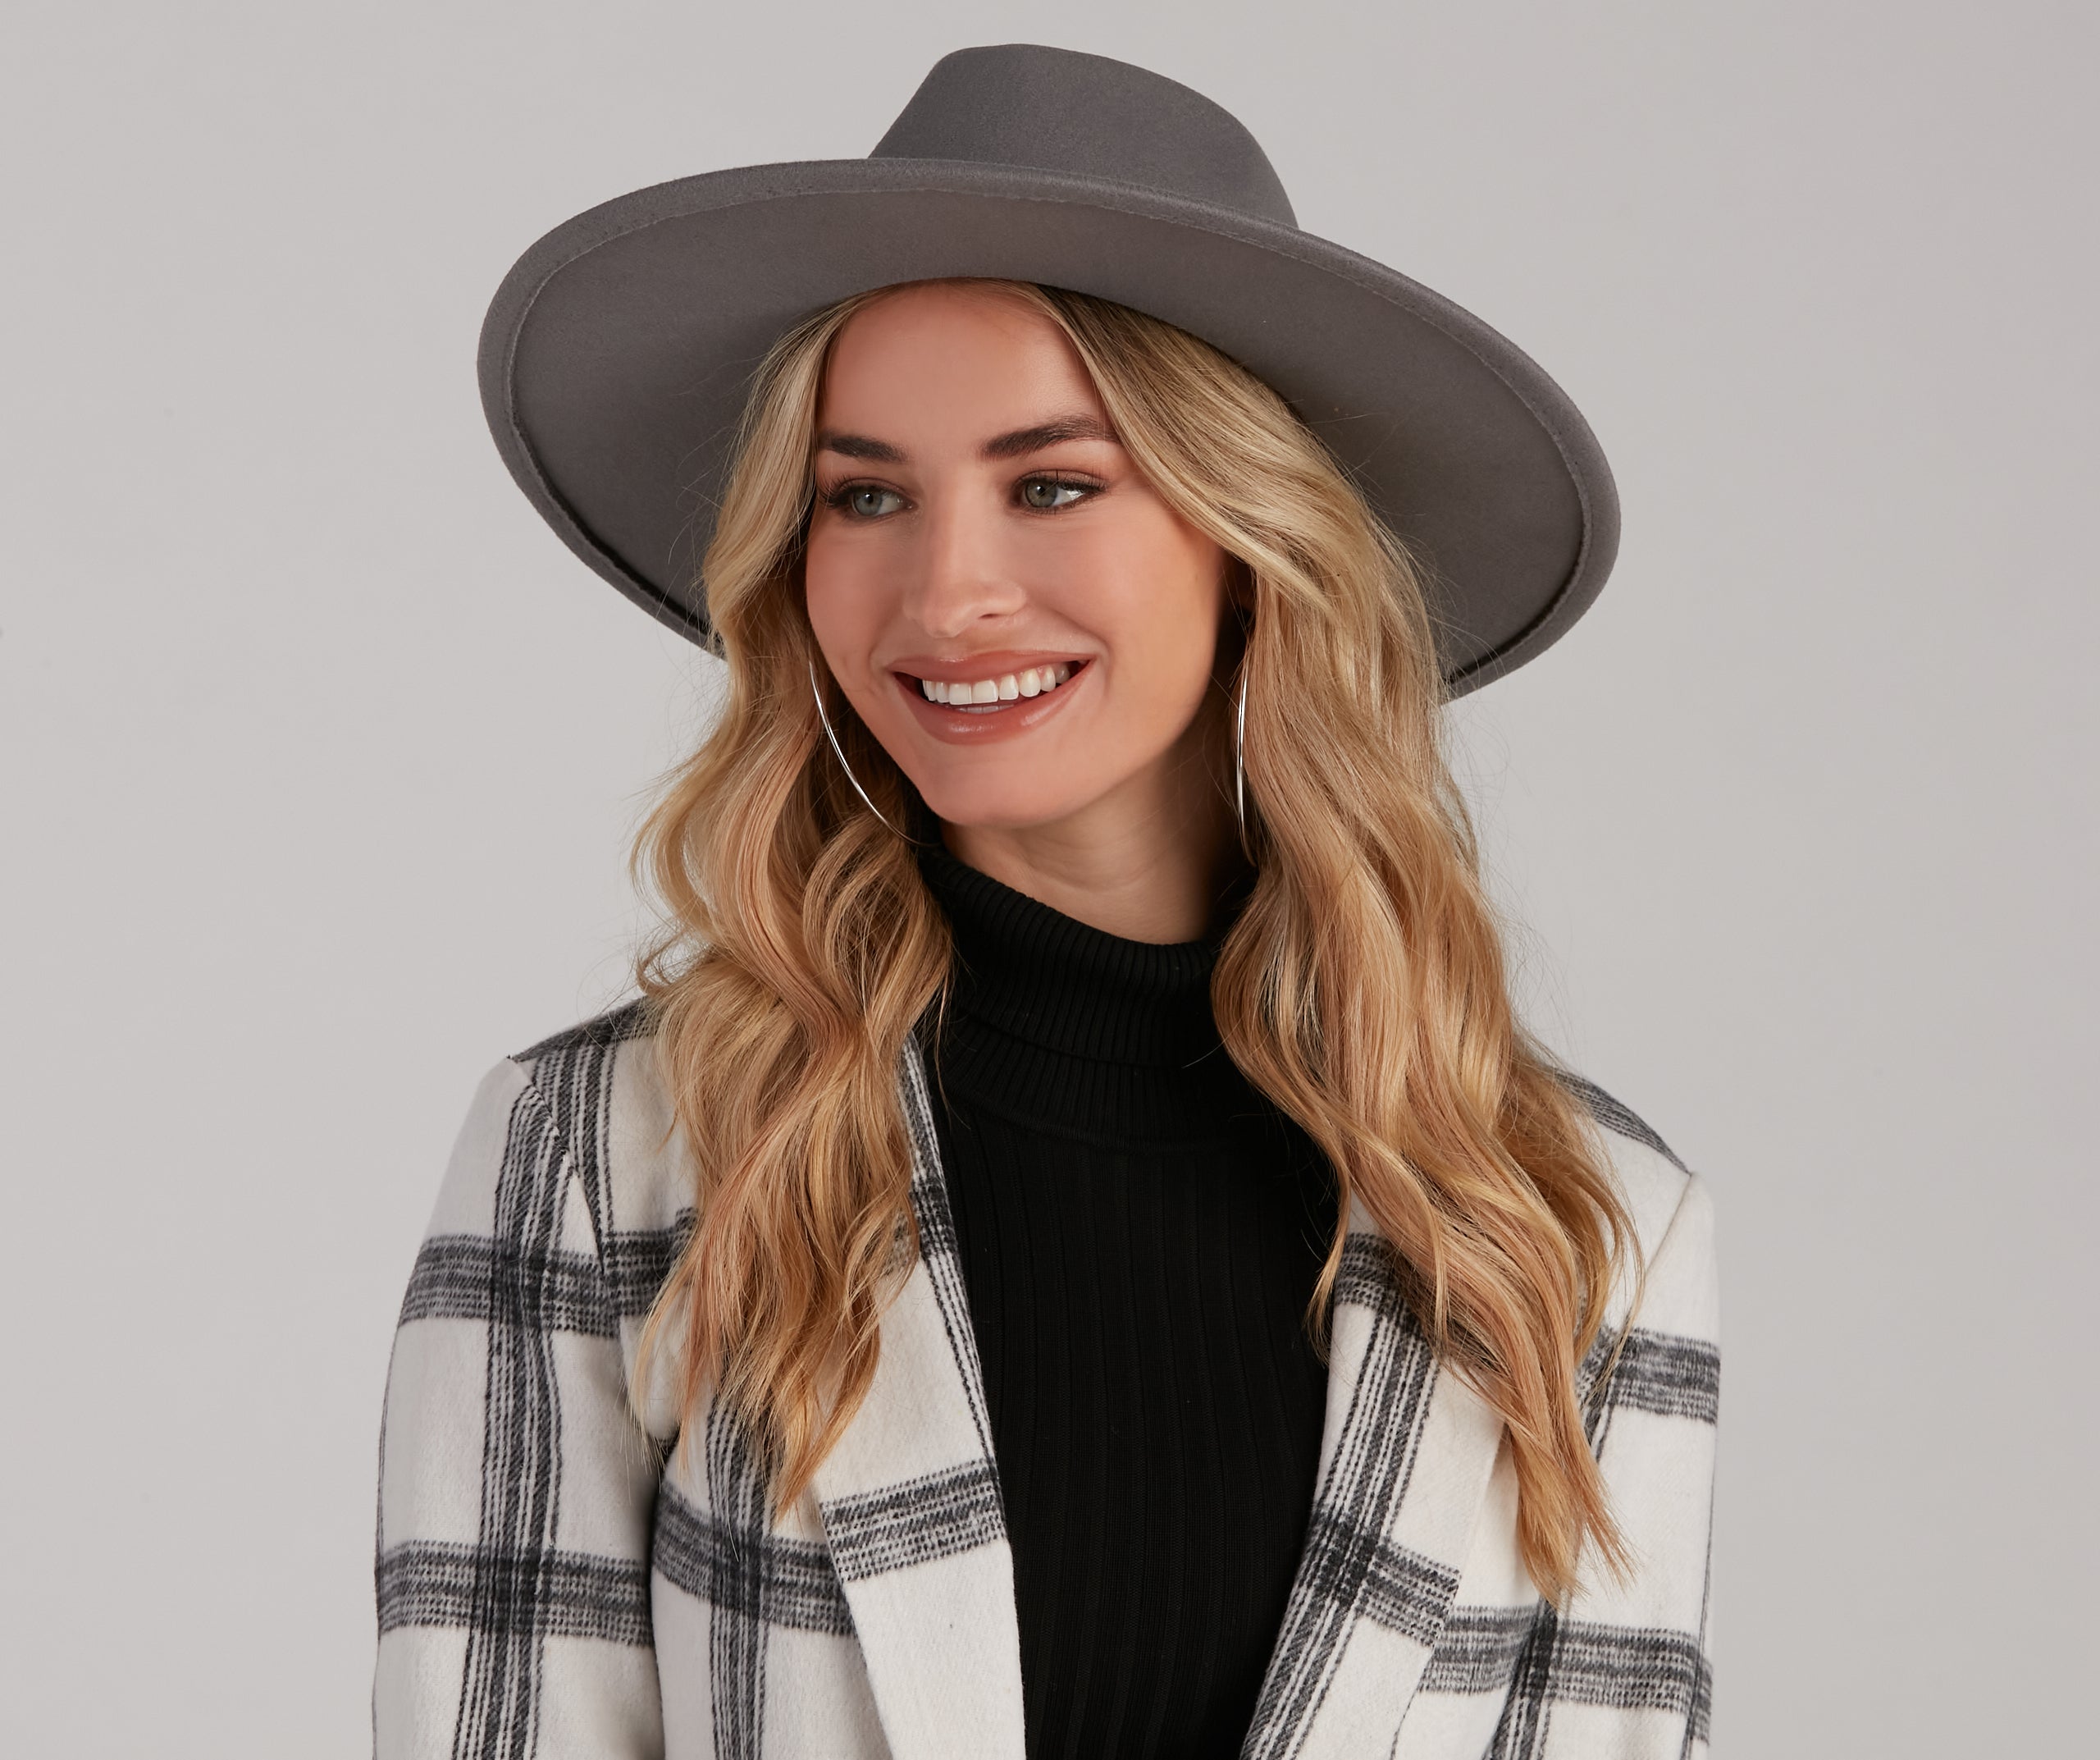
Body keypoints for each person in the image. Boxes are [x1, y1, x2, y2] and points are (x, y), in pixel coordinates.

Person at [373, 44, 1719, 1760]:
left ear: (1253, 543)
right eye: (865, 494)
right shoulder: (606, 1157)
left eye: (1053, 483)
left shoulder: (1577, 1231)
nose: (947, 592)